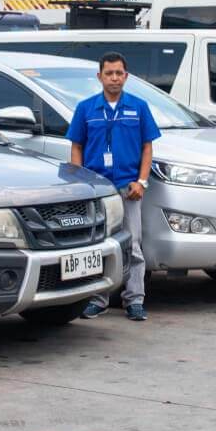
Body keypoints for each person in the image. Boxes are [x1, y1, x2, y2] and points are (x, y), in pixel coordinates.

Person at [68, 51, 161, 320]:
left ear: (126, 76)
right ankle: (97, 299)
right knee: (99, 245)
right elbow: (77, 147)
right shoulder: (86, 108)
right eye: (109, 73)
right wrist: (81, 184)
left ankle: (134, 300)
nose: (114, 78)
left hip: (128, 187)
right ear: (100, 77)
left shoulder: (139, 107)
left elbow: (147, 147)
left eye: (119, 73)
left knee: (133, 245)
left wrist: (142, 182)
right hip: (98, 191)